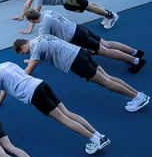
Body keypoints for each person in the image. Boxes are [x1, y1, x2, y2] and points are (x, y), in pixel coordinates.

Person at [0, 53, 110, 155]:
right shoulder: (7, 64)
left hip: (34, 95)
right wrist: (0, 101)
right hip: (41, 84)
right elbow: (6, 87)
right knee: (68, 113)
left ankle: (95, 140)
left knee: (63, 119)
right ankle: (99, 135)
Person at [13, 36, 149, 112]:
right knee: (108, 77)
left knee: (106, 83)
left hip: (75, 62)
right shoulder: (41, 38)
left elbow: (30, 69)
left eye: (23, 52)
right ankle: (139, 94)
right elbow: (48, 51)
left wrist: (20, 76)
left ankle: (137, 97)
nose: (26, 53)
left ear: (23, 47)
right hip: (80, 53)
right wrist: (32, 59)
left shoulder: (34, 48)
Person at [24, 9, 145, 72]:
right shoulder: (47, 12)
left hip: (77, 37)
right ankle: (135, 52)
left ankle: (136, 61)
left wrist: (33, 59)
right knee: (106, 43)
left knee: (105, 51)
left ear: (31, 20)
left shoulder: (43, 25)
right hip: (79, 28)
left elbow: (44, 41)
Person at [14, 0, 118, 33]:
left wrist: (29, 30)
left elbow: (35, 15)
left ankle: (111, 16)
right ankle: (107, 14)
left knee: (87, 7)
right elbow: (27, 5)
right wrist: (22, 16)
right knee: (88, 5)